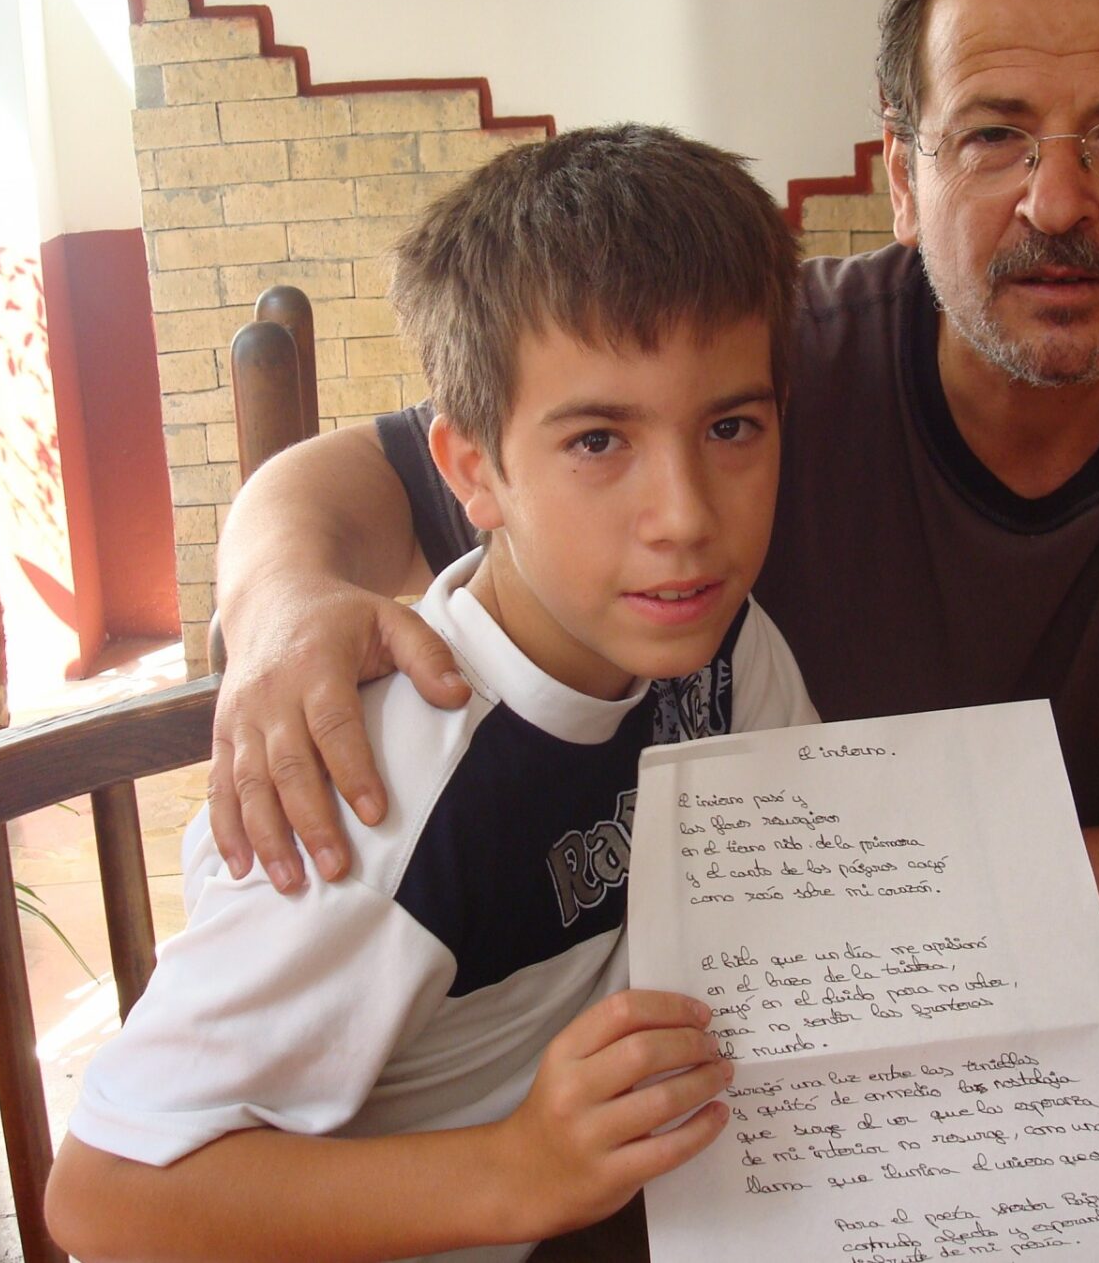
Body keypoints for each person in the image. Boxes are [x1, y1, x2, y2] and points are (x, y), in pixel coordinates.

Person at [204, 0, 1099, 958]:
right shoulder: (753, 378)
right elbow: (346, 480)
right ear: (904, 182)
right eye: (991, 137)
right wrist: (275, 603)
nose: (1055, 203)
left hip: (1096, 1002)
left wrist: (899, 894)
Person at [46, 126, 829, 1261]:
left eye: (731, 427)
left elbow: (816, 933)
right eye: (599, 438)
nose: (687, 514)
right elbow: (106, 1195)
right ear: (470, 469)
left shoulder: (728, 651)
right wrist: (520, 1170)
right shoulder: (380, 797)